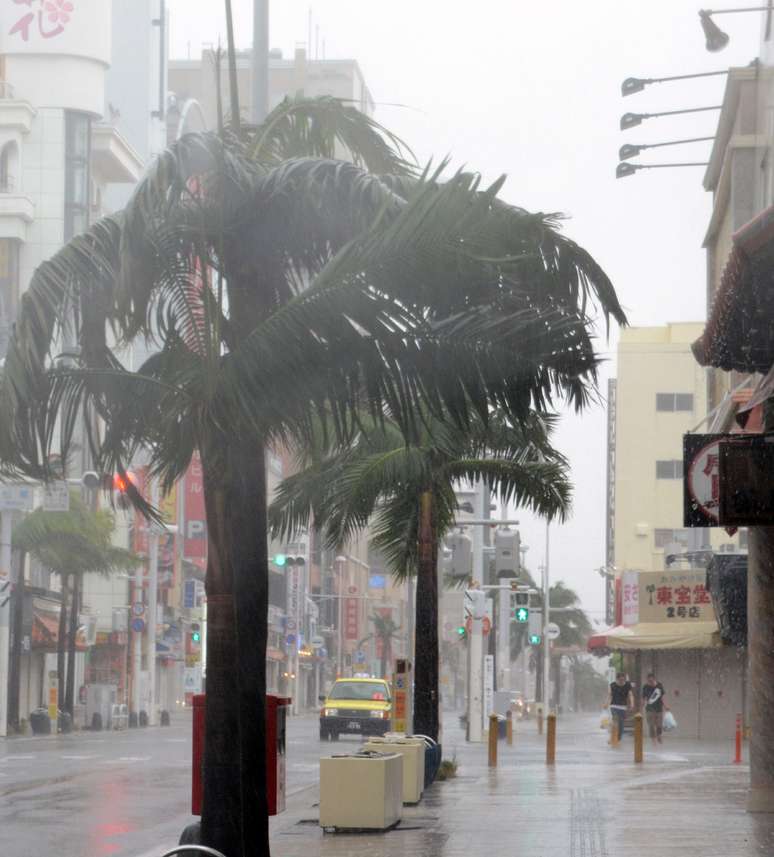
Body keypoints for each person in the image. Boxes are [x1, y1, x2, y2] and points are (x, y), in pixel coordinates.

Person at [641, 672, 668, 744]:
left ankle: (659, 735)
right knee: (651, 725)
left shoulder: (659, 686)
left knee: (659, 725)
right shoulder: (645, 687)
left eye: (651, 681)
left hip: (659, 708)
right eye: (649, 681)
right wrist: (642, 706)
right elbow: (644, 697)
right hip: (649, 709)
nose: (650, 682)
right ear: (647, 680)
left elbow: (662, 697)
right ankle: (653, 741)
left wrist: (665, 706)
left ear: (654, 679)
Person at [607, 672, 634, 743]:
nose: (622, 681)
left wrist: (632, 704)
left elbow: (630, 695)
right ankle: (612, 737)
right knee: (615, 720)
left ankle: (618, 739)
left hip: (623, 707)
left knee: (621, 724)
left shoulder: (627, 685)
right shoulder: (612, 685)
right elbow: (610, 695)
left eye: (623, 680)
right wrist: (606, 703)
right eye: (620, 680)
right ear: (617, 679)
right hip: (614, 706)